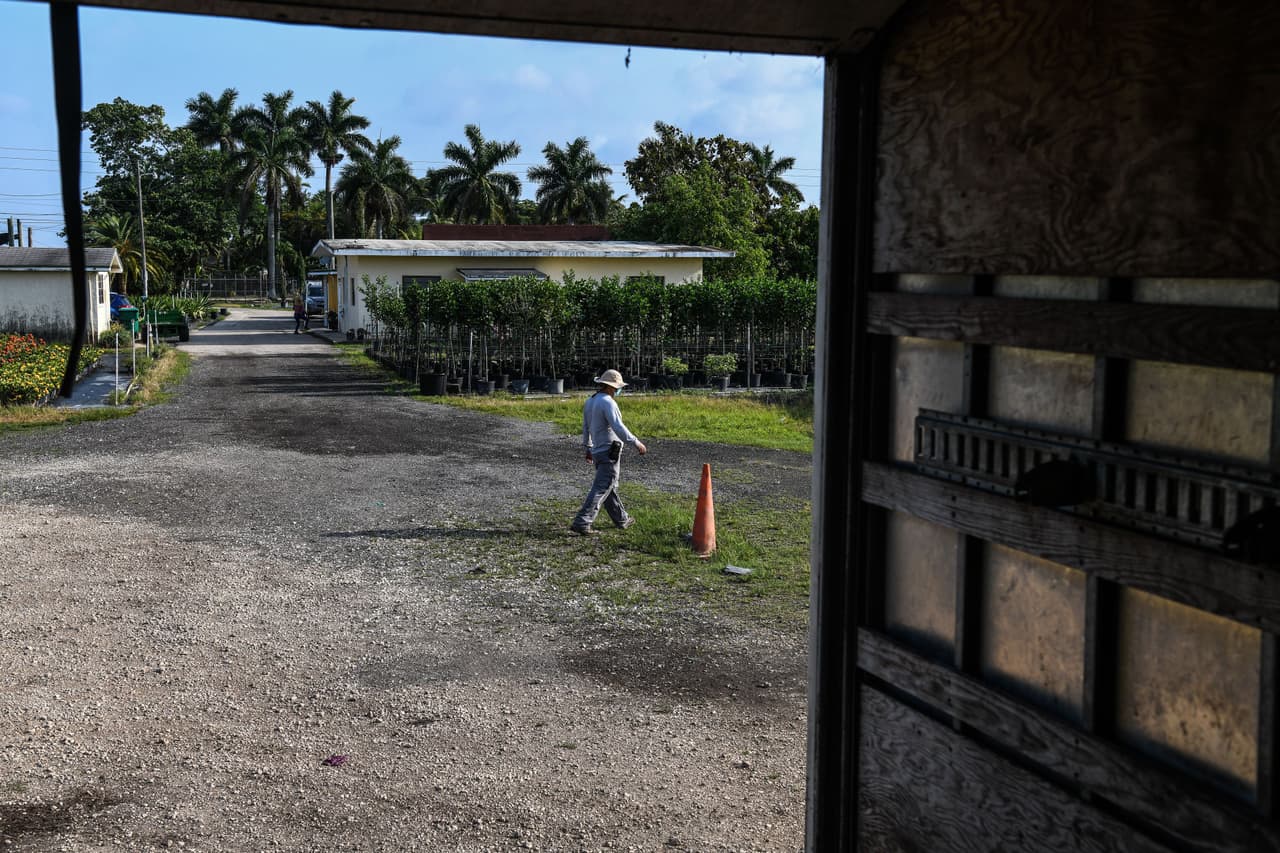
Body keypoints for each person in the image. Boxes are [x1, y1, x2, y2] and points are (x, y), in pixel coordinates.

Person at [571, 369, 647, 535]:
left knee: (608, 486)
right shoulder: (608, 402)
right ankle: (582, 521)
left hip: (598, 450)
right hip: (609, 451)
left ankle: (622, 519)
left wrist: (588, 447)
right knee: (602, 487)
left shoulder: (591, 401)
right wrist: (635, 442)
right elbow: (618, 426)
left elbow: (586, 426)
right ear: (612, 387)